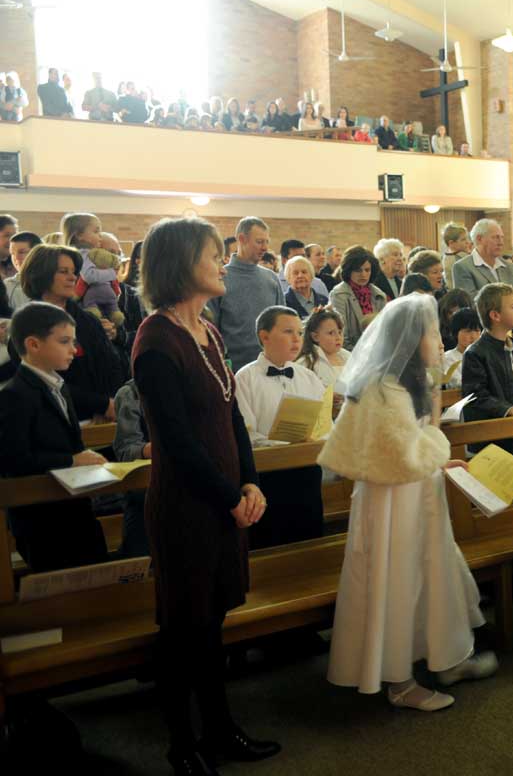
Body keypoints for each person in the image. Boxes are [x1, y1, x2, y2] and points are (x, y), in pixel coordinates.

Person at [132, 217, 279, 773]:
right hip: (187, 507)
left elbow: (231, 417)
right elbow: (176, 443)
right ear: (178, 265)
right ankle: (182, 746)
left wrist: (250, 482)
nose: (222, 264)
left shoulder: (209, 330)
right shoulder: (155, 340)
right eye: (211, 256)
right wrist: (228, 495)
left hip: (222, 501)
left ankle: (219, 731)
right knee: (182, 631)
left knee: (212, 624)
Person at [321, 293, 497, 711]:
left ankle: (447, 657)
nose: (439, 342)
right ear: (407, 338)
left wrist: (439, 457)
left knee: (434, 574)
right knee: (397, 582)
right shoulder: (381, 387)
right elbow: (401, 453)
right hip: (391, 506)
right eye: (432, 333)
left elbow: (417, 446)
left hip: (418, 493)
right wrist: (435, 446)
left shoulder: (409, 380)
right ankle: (398, 681)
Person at [0, 302, 109, 572]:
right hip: (41, 518)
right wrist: (72, 460)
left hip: (75, 509)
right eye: (64, 341)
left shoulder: (59, 386)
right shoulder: (14, 395)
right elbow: (13, 461)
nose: (74, 349)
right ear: (33, 345)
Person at [235, 307, 326, 548]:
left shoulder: (308, 377)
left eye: (300, 332)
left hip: (306, 470)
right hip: (269, 475)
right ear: (264, 337)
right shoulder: (245, 379)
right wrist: (281, 444)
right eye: (288, 332)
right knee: (273, 541)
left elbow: (322, 423)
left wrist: (314, 437)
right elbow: (245, 433)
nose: (297, 339)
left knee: (310, 541)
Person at [10, 244, 124, 421]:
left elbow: (111, 363)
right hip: (57, 420)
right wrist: (100, 404)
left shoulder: (87, 319)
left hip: (107, 416)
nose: (73, 278)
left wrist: (113, 402)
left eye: (73, 272)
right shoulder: (25, 325)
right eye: (64, 271)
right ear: (41, 275)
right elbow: (43, 381)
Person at [461, 283, 513, 456]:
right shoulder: (475, 353)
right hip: (493, 444)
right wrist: (508, 409)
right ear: (495, 315)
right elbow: (476, 397)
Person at [207, 217, 285, 372]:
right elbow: (211, 329)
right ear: (241, 239)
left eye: (267, 242)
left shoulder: (271, 279)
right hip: (233, 369)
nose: (265, 248)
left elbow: (283, 322)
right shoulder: (220, 278)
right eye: (259, 242)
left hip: (271, 367)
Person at [451, 219, 513, 331]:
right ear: (479, 239)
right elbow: (472, 305)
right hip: (483, 334)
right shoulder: (463, 267)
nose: (501, 242)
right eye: (496, 237)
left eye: (502, 237)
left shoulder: (509, 267)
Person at [113, 377, 151, 558]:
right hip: (145, 490)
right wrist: (147, 449)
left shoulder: (191, 383)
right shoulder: (131, 393)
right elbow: (124, 451)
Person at [329, 246, 388, 349]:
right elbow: (341, 336)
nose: (363, 274)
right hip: (350, 354)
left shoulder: (380, 295)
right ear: (349, 270)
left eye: (367, 270)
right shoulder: (339, 294)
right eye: (358, 270)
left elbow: (385, 332)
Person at [441, 306, 480, 389]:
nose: (473, 336)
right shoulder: (448, 358)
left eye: (477, 331)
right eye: (468, 331)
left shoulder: (485, 356)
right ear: (456, 333)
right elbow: (456, 384)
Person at [282, 255, 328, 319]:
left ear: (311, 276)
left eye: (304, 272)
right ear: (288, 278)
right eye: (295, 273)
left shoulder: (324, 301)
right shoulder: (282, 302)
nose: (300, 276)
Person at [441, 223, 471, 289]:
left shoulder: (450, 256)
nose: (467, 242)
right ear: (451, 243)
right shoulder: (455, 259)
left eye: (467, 239)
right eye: (463, 240)